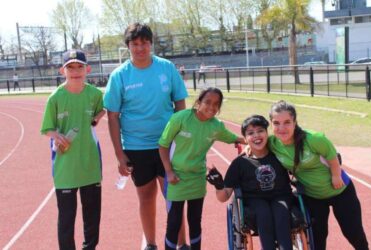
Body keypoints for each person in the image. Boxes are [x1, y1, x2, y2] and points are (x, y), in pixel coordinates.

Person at [103, 23, 189, 250]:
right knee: (146, 198)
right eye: (135, 44)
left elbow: (180, 102)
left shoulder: (167, 68)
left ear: (151, 43)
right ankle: (150, 244)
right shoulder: (119, 75)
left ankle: (181, 244)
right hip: (136, 147)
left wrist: (181, 137)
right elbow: (112, 116)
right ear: (128, 46)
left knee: (174, 197)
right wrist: (119, 155)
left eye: (144, 43)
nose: (140, 48)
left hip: (167, 145)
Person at [267, 100, 369, 250]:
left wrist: (336, 175)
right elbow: (255, 143)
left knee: (353, 232)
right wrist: (248, 148)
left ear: (295, 122)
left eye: (287, 122)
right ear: (271, 124)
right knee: (317, 239)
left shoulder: (314, 139)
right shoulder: (273, 143)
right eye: (276, 123)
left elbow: (331, 155)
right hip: (312, 196)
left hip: (340, 190)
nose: (281, 128)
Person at [159, 87, 245, 250]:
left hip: (197, 178)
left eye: (216, 104)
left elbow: (233, 138)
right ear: (199, 102)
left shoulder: (216, 126)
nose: (211, 107)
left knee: (195, 220)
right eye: (207, 102)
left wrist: (252, 141)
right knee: (174, 221)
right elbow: (163, 145)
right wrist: (169, 171)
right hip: (176, 178)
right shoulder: (180, 118)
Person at [40, 49, 105, 250]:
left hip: (90, 163)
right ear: (62, 70)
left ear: (88, 69)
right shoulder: (55, 97)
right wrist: (56, 136)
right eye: (71, 67)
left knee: (92, 216)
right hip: (65, 166)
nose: (75, 71)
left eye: (79, 67)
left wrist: (99, 115)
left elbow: (102, 110)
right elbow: (46, 129)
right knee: (67, 217)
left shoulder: (94, 94)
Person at [207, 115, 293, 250]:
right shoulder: (240, 163)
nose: (256, 136)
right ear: (245, 139)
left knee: (281, 211)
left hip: (281, 197)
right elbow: (224, 197)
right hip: (255, 200)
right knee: (262, 211)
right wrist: (218, 184)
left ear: (267, 133)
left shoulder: (279, 155)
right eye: (251, 133)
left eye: (260, 131)